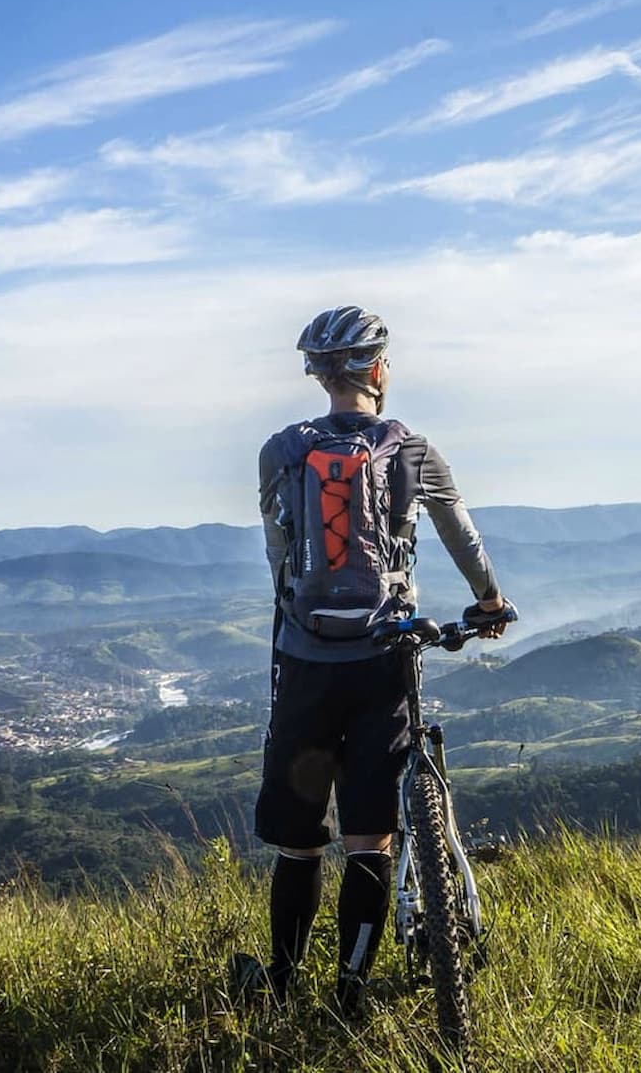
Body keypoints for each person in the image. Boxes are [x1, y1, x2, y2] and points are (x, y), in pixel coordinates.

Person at [244, 305, 505, 1015]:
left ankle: (280, 981)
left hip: (304, 660)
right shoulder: (412, 449)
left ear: (319, 375)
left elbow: (278, 557)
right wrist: (488, 600)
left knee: (299, 844)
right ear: (379, 369)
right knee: (371, 838)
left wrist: (302, 619)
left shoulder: (280, 452)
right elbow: (461, 533)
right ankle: (351, 991)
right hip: (384, 659)